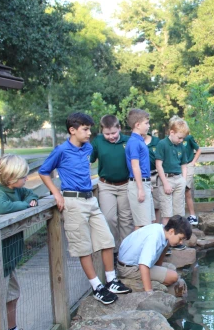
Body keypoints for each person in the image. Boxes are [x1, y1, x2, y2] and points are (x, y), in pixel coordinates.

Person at [39, 112, 131, 305]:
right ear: (72, 130)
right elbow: (44, 171)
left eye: (89, 129)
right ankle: (97, 286)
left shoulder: (87, 147)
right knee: (83, 247)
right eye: (86, 129)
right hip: (73, 202)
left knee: (107, 240)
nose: (90, 133)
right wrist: (56, 193)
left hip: (91, 200)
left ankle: (111, 280)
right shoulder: (61, 150)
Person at [0, 155, 39, 330]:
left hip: (8, 258)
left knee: (12, 295)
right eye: (23, 176)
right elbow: (1, 207)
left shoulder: (16, 189)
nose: (26, 179)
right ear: (10, 178)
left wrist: (28, 199)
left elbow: (30, 194)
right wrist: (26, 205)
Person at [90, 115, 133, 252]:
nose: (111, 136)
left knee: (126, 219)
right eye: (107, 134)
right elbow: (88, 160)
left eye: (114, 133)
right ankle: (113, 249)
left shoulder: (128, 141)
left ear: (119, 128)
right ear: (102, 131)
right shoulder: (98, 142)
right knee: (109, 218)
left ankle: (126, 251)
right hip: (106, 185)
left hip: (125, 184)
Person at [116, 215, 192, 294]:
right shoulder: (154, 238)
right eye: (180, 238)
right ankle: (148, 285)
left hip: (133, 263)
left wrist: (158, 270)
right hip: (129, 268)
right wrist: (149, 292)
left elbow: (161, 253)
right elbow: (143, 264)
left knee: (172, 268)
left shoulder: (162, 230)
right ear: (172, 231)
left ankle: (156, 276)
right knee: (173, 276)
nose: (181, 242)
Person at [155, 116, 188, 227]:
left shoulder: (181, 146)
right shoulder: (162, 144)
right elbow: (158, 164)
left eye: (183, 138)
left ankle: (178, 240)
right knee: (167, 214)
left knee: (179, 214)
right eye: (179, 138)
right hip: (166, 179)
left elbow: (184, 164)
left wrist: (183, 180)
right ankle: (166, 242)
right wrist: (165, 183)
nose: (181, 140)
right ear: (172, 132)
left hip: (178, 179)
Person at [125, 108, 154, 230]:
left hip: (144, 183)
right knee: (141, 225)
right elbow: (135, 166)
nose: (148, 126)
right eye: (146, 123)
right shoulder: (134, 142)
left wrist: (148, 183)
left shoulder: (140, 140)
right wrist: (140, 188)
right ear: (137, 125)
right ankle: (137, 249)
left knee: (148, 221)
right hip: (138, 184)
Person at [182, 124, 202, 226]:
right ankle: (184, 216)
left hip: (188, 165)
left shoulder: (189, 138)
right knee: (184, 191)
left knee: (186, 189)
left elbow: (198, 149)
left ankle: (192, 216)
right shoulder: (175, 139)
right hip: (179, 167)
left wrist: (193, 162)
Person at [145, 132, 162, 223]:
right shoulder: (134, 141)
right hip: (141, 177)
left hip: (155, 175)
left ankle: (156, 226)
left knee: (157, 204)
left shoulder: (157, 141)